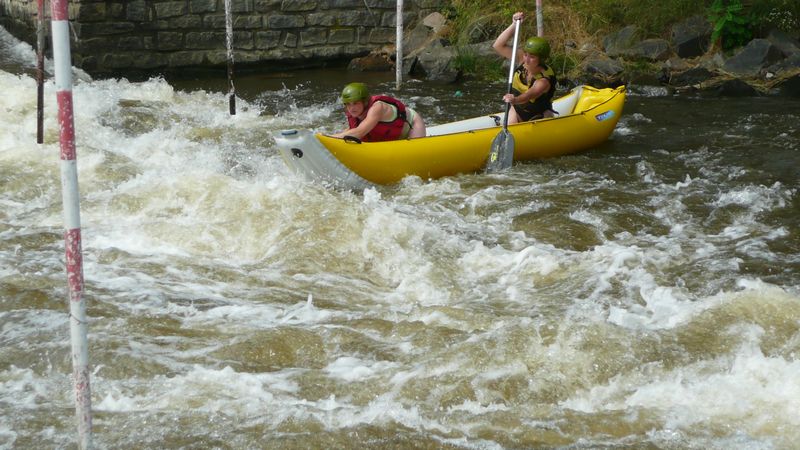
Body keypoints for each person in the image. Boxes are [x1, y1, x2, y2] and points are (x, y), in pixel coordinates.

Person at [492, 11, 558, 124]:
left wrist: (514, 99)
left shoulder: (543, 80)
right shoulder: (522, 58)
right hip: (517, 110)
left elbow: (528, 96)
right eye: (526, 54)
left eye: (532, 57)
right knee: (511, 123)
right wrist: (513, 24)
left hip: (538, 114)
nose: (526, 60)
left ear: (541, 59)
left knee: (544, 116)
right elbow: (498, 46)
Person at [331, 82, 426, 141]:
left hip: (412, 125)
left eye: (355, 103)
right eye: (348, 104)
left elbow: (359, 132)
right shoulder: (356, 111)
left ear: (364, 102)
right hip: (393, 134)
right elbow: (353, 129)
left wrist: (329, 138)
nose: (351, 108)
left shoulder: (378, 107)